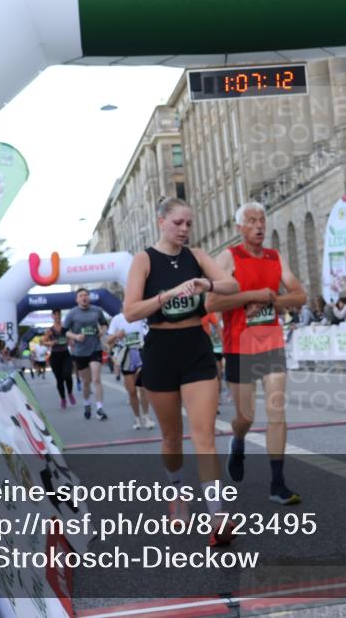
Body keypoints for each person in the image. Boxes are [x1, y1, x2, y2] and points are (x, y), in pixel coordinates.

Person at [122, 197, 240, 545]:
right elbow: (130, 312)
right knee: (172, 437)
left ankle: (217, 515)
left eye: (189, 223)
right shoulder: (144, 260)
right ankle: (176, 493)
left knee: (203, 434)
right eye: (178, 223)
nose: (185, 229)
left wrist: (209, 285)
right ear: (161, 221)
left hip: (196, 348)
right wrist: (167, 295)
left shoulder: (198, 257)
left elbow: (232, 285)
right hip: (160, 351)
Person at [207, 201, 307, 506]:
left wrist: (272, 302)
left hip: (271, 342)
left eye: (262, 220)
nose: (259, 226)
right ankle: (238, 440)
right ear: (240, 228)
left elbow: (300, 295)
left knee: (277, 411)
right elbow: (211, 304)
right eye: (251, 221)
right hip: (239, 346)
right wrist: (250, 296)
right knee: (246, 416)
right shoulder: (229, 257)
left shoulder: (275, 257)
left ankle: (277, 483)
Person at [64, 288, 109, 420]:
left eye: (86, 295)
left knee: (96, 379)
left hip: (95, 348)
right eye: (81, 296)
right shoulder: (72, 313)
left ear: (89, 298)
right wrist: (76, 336)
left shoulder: (96, 310)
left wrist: (102, 331)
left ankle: (100, 408)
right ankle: (86, 404)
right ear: (77, 299)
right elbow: (64, 331)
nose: (84, 297)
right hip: (80, 351)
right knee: (86, 382)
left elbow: (104, 324)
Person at [106, 311, 153, 430]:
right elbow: (108, 340)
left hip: (141, 353)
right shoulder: (117, 319)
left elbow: (149, 333)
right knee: (132, 391)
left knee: (142, 387)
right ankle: (137, 418)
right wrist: (117, 336)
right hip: (126, 355)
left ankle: (146, 417)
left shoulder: (141, 316)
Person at [43, 309, 75, 409]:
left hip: (66, 354)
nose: (57, 316)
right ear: (52, 316)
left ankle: (70, 393)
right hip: (55, 356)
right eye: (55, 314)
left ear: (61, 316)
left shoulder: (66, 328)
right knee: (59, 379)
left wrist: (72, 344)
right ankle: (63, 399)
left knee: (67, 375)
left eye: (59, 314)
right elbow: (43, 342)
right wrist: (50, 343)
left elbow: (71, 340)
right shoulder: (49, 330)